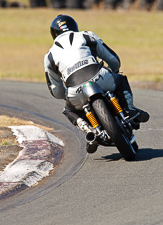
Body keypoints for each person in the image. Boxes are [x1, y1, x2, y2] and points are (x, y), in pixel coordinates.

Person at [44, 14, 149, 153]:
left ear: (54, 34)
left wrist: (66, 96)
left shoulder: (49, 56)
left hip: (75, 91)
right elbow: (112, 58)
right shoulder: (86, 36)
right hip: (100, 77)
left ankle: (90, 132)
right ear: (74, 27)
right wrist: (115, 70)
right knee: (120, 79)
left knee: (69, 110)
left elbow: (55, 89)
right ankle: (129, 108)